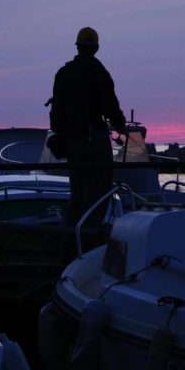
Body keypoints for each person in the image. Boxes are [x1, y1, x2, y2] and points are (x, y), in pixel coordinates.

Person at [50, 27, 126, 225]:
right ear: (96, 47)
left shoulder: (64, 73)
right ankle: (90, 235)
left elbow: (57, 110)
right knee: (99, 192)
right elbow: (110, 105)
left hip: (72, 143)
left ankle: (73, 236)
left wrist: (61, 135)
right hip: (94, 141)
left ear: (77, 46)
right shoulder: (98, 72)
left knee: (78, 192)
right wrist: (120, 125)